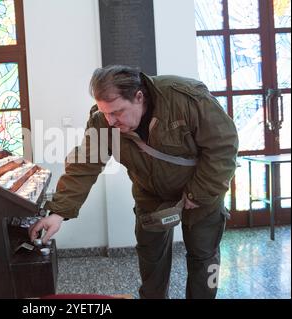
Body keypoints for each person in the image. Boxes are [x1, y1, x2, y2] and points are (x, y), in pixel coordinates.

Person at [29, 65, 239, 299]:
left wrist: (198, 193)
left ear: (139, 97)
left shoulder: (185, 98)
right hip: (150, 194)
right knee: (151, 259)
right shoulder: (102, 121)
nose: (111, 121)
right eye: (105, 112)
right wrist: (58, 212)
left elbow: (223, 146)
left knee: (203, 256)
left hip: (202, 192)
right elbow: (84, 165)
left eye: (117, 112)